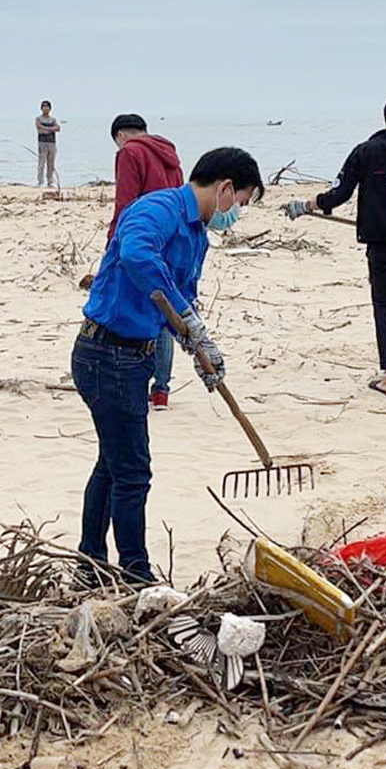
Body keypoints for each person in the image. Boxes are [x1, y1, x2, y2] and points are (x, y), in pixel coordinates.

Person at [74, 147, 264, 584]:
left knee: (114, 462)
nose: (236, 214)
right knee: (133, 471)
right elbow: (139, 257)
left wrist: (200, 346)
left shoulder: (197, 235)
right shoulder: (156, 209)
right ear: (226, 189)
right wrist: (187, 318)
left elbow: (178, 305)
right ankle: (134, 572)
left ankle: (90, 560)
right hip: (106, 354)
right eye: (240, 203)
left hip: (134, 357)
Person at [284, 94, 386, 396]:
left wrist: (309, 205)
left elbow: (341, 193)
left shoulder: (363, 152)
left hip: (379, 244)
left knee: (384, 306)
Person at [109, 113, 186, 411]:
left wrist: (113, 243)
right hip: (173, 238)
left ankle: (136, 381)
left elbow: (125, 203)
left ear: (120, 135)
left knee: (134, 310)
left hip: (142, 239)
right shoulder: (169, 153)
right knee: (165, 313)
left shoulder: (129, 152)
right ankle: (162, 388)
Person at [37, 100, 60, 189]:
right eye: (44, 106)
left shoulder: (53, 119)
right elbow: (39, 128)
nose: (45, 108)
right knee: (41, 163)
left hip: (52, 143)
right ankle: (40, 182)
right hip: (42, 143)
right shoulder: (39, 119)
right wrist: (50, 128)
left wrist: (46, 128)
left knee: (51, 164)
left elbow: (57, 128)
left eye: (47, 106)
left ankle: (50, 181)